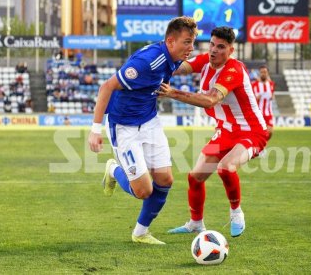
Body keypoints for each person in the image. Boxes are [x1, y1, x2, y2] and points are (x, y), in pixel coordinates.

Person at [88, 16, 198, 244]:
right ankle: (113, 170)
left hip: (150, 122)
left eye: (193, 42)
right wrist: (95, 130)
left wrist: (216, 58)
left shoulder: (174, 57)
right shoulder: (146, 62)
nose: (191, 47)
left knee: (165, 179)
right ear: (170, 41)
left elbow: (188, 67)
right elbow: (106, 86)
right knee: (143, 191)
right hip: (124, 126)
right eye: (187, 42)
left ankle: (140, 233)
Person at [157, 26, 268, 237]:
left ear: (231, 51)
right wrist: (152, 67)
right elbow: (177, 68)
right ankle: (196, 223)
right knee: (195, 177)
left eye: (221, 47)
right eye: (212, 45)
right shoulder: (205, 61)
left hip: (251, 132)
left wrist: (173, 92)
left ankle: (236, 213)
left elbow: (210, 100)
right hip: (225, 131)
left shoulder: (234, 70)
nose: (214, 50)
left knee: (226, 167)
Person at [251, 65, 275, 140]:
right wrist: (256, 98)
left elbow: (273, 95)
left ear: (267, 73)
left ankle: (263, 145)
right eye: (262, 72)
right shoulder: (254, 85)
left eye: (265, 72)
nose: (263, 73)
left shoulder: (271, 84)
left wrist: (272, 97)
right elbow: (249, 99)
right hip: (257, 113)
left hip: (268, 113)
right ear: (259, 73)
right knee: (256, 132)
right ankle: (258, 147)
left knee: (270, 131)